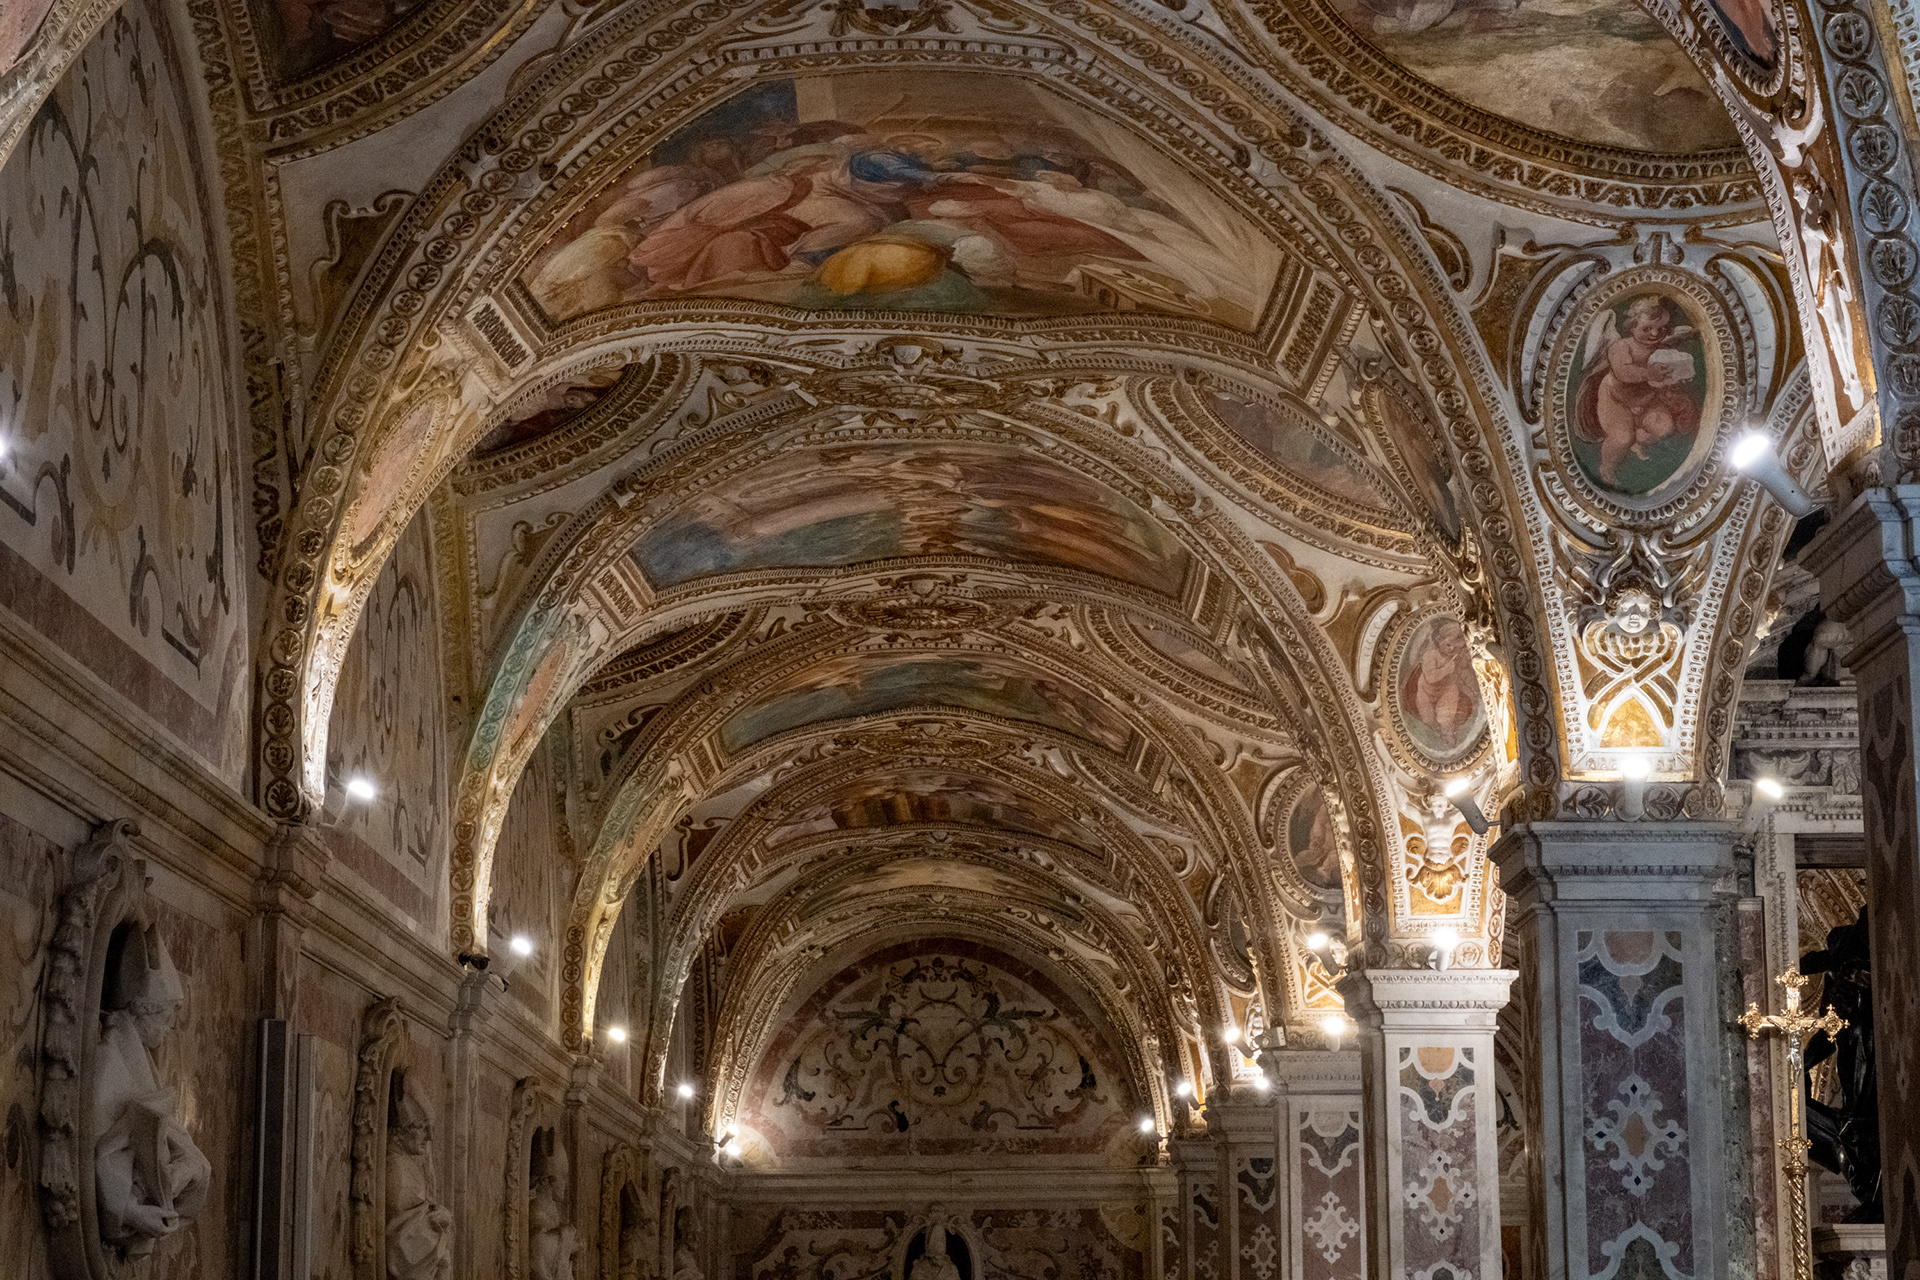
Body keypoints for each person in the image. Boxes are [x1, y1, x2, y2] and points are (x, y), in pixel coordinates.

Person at [92, 924, 210, 1256]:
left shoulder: (139, 1055)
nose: (171, 1028)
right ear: (147, 1011)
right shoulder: (110, 1057)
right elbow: (97, 1146)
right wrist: (129, 1210)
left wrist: (187, 1166)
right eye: (168, 1017)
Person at [1574, 296, 1700, 487]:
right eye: (1646, 328)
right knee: (1622, 437)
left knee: (1665, 427)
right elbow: (1623, 372)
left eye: (1661, 328)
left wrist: (1678, 372)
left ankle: (1640, 441)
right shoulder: (1621, 346)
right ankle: (1607, 469)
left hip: (1648, 401)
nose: (1654, 333)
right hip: (1616, 401)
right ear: (1632, 327)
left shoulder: (1662, 347)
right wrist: (1649, 373)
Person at [386, 1091, 454, 1280]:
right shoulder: (396, 1168)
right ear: (401, 1130)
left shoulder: (407, 1163)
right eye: (421, 1127)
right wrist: (441, 1222)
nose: (429, 1136)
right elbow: (400, 1237)